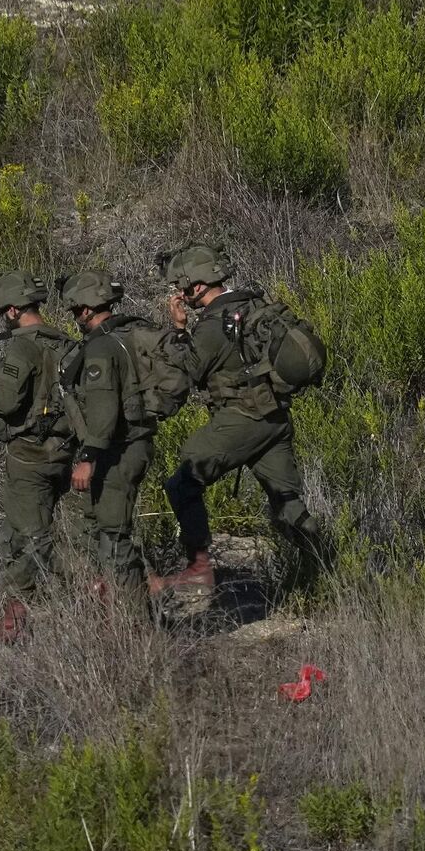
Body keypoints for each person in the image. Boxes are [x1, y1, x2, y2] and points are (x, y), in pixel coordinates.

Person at [148, 244, 325, 596]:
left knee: (183, 482)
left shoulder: (213, 325)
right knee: (287, 504)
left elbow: (190, 370)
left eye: (182, 287)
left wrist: (178, 329)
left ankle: (198, 569)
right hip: (274, 418)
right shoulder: (252, 304)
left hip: (243, 417)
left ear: (197, 286)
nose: (180, 293)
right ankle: (324, 570)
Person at [60, 270, 189, 612]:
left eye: (75, 311)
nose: (76, 318)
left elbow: (103, 408)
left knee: (113, 538)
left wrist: (88, 457)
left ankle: (137, 622)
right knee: (99, 529)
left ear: (86, 309)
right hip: (134, 443)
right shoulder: (130, 333)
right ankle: (120, 606)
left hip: (117, 450)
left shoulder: (101, 347)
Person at [0, 271, 78, 643]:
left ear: (13, 310)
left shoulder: (21, 347)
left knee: (25, 533)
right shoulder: (65, 342)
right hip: (65, 450)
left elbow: (6, 402)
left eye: (4, 311)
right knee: (51, 526)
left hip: (30, 453)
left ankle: (15, 617)